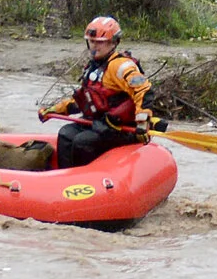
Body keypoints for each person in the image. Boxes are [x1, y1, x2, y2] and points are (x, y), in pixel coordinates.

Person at [41, 16, 155, 168]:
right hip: (97, 123)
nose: (95, 46)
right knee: (65, 135)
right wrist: (54, 110)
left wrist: (142, 122)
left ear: (113, 42)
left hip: (119, 127)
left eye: (100, 42)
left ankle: (88, 181)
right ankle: (65, 179)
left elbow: (144, 90)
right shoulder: (93, 67)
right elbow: (84, 100)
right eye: (92, 42)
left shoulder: (121, 66)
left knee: (83, 142)